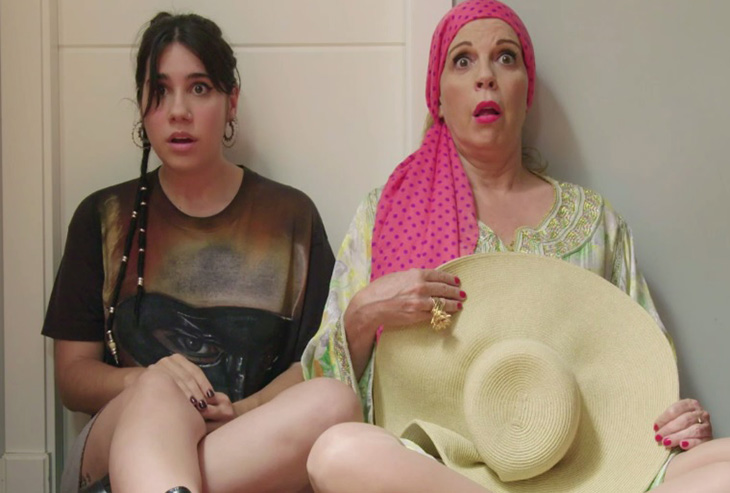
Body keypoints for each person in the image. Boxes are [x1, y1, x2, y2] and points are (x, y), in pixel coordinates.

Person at [301, 1, 730, 492]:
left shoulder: (596, 224)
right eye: (463, 60)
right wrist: (362, 315)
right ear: (437, 96)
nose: (486, 76)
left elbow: (646, 371)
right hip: (439, 473)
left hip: (589, 472)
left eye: (506, 58)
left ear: (527, 92)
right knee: (338, 453)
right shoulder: (386, 213)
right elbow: (322, 396)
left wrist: (679, 420)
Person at [42, 12, 360, 493]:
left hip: (246, 439)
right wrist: (150, 381)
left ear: (231, 102)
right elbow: (72, 377)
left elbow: (312, 362)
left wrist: (243, 411)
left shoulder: (291, 216)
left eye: (199, 88)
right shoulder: (102, 216)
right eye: (160, 90)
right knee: (160, 390)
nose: (178, 111)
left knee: (335, 400)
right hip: (116, 445)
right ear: (142, 104)